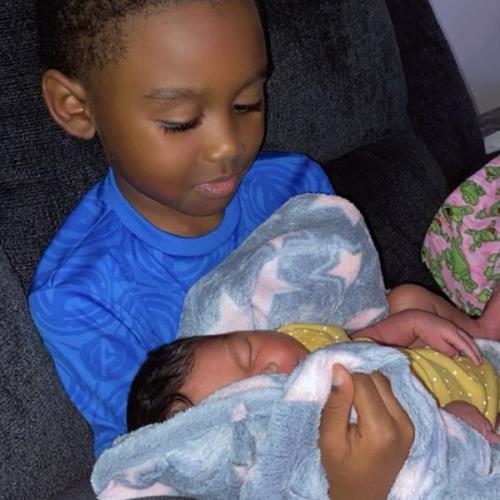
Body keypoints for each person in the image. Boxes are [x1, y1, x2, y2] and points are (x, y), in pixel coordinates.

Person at [28, 0, 413, 494]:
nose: (228, 145)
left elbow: (357, 317)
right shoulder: (81, 299)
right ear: (75, 107)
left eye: (247, 103)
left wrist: (409, 313)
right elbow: (151, 472)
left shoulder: (297, 190)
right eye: (181, 121)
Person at [127, 293, 500, 443]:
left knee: (404, 298)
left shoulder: (303, 338)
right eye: (257, 386)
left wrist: (417, 324)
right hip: (473, 409)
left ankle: (482, 329)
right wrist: (452, 423)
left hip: (451, 354)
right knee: (462, 429)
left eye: (247, 350)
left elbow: (372, 338)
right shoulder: (324, 422)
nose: (271, 365)